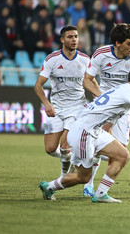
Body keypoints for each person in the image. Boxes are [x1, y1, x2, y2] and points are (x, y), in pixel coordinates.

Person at [39, 67, 130, 203]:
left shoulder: (120, 91)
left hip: (94, 131)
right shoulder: (129, 91)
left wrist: (108, 140)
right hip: (84, 132)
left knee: (123, 155)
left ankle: (101, 194)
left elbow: (107, 118)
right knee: (83, 177)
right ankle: (49, 186)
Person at [82, 23, 130, 195]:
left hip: (125, 108)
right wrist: (101, 97)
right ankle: (88, 186)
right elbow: (87, 79)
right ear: (117, 43)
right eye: (129, 43)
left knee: (121, 152)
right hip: (105, 106)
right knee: (100, 141)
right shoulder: (101, 54)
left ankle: (100, 186)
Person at [34, 25, 91, 194]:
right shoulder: (52, 59)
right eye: (70, 37)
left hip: (77, 107)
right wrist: (46, 103)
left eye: (76, 36)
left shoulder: (85, 60)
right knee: (50, 149)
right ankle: (71, 158)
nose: (74, 40)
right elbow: (38, 85)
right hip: (56, 108)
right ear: (62, 40)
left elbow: (91, 81)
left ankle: (63, 175)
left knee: (65, 144)